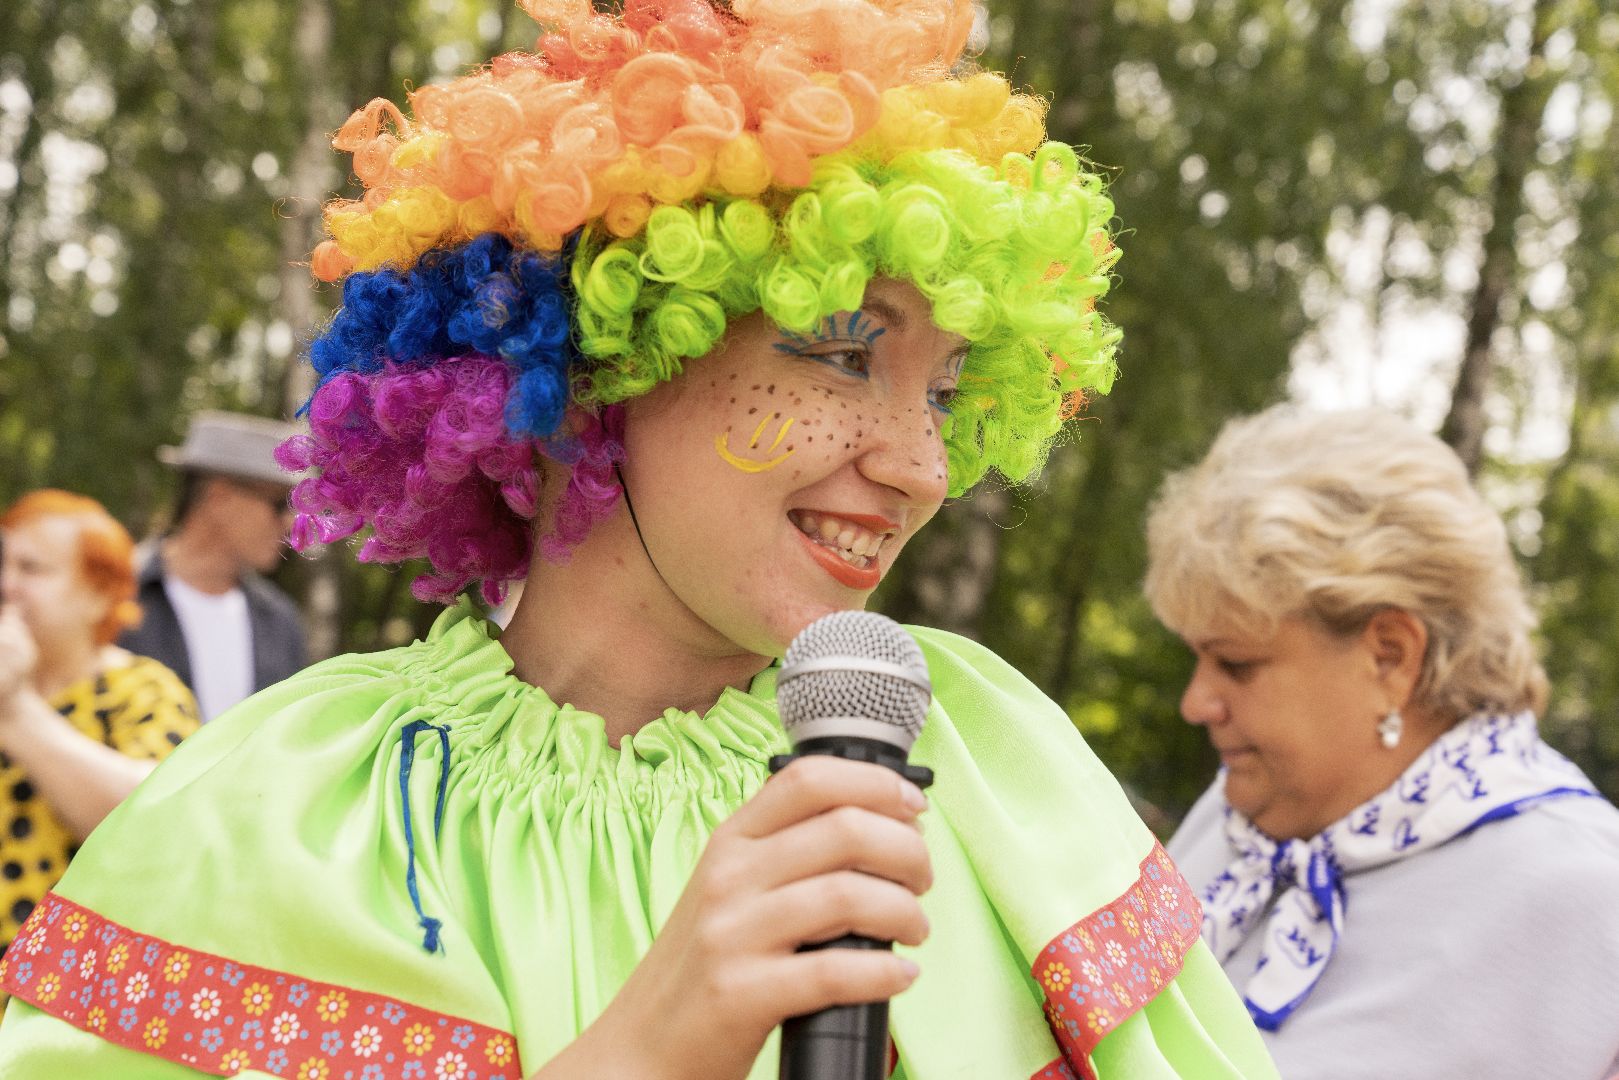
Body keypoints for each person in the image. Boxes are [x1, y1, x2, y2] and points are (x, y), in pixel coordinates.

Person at [0, 3, 1279, 1078]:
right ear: (590, 361)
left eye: (943, 390)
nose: (920, 464)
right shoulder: (282, 809)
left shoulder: (995, 760)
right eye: (840, 350)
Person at [1148, 405, 1619, 1078]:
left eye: (1236, 664)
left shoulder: (1588, 900)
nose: (1196, 702)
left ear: (1390, 656)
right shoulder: (1234, 819)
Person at [0, 491, 199, 958]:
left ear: (98, 595)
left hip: (66, 995)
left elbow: (158, 824)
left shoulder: (144, 688)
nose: (8, 585)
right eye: (4, 565)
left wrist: (15, 709)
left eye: (32, 570)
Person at [119, 410, 309, 721]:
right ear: (219, 496)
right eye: (280, 505)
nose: (291, 523)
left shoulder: (280, 620)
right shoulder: (116, 592)